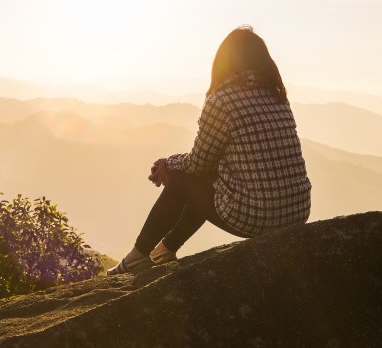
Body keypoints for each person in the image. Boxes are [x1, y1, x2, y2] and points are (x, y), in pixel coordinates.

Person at [108, 26, 312, 275]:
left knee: (184, 182)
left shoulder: (223, 99)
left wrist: (168, 164)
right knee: (204, 180)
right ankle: (165, 249)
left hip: (261, 216)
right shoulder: (277, 97)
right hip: (297, 211)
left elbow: (198, 164)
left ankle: (138, 256)